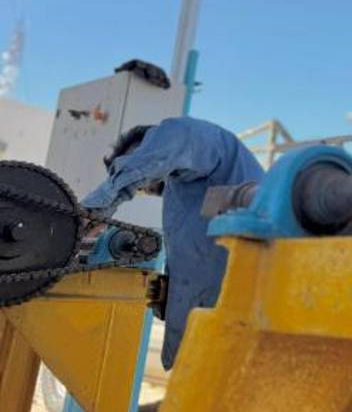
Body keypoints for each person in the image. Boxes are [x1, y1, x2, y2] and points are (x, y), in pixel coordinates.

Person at [82, 117, 264, 369]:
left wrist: (99, 205)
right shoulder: (186, 195)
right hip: (216, 338)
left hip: (246, 328)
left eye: (136, 158)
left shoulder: (198, 140)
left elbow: (179, 138)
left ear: (152, 143)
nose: (144, 187)